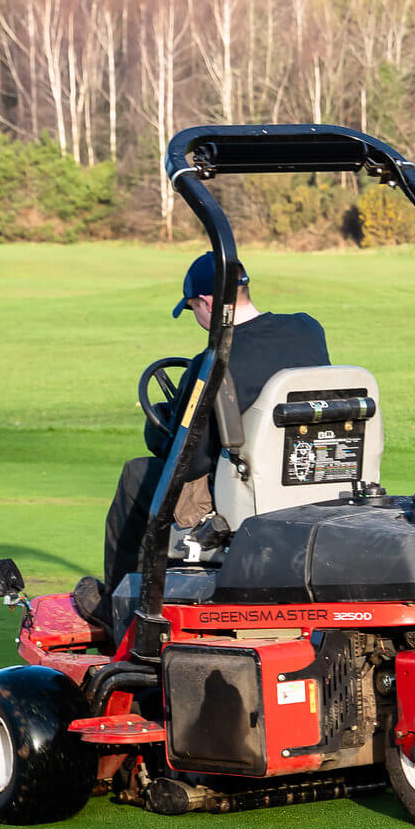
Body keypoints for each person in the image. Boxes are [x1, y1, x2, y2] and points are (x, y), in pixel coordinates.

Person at [88, 252, 329, 631]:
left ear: (210, 303)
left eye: (194, 309)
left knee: (138, 474)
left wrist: (164, 425)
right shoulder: (307, 329)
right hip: (312, 473)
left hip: (247, 489)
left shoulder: (215, 363)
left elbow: (188, 460)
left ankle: (119, 605)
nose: (198, 320)